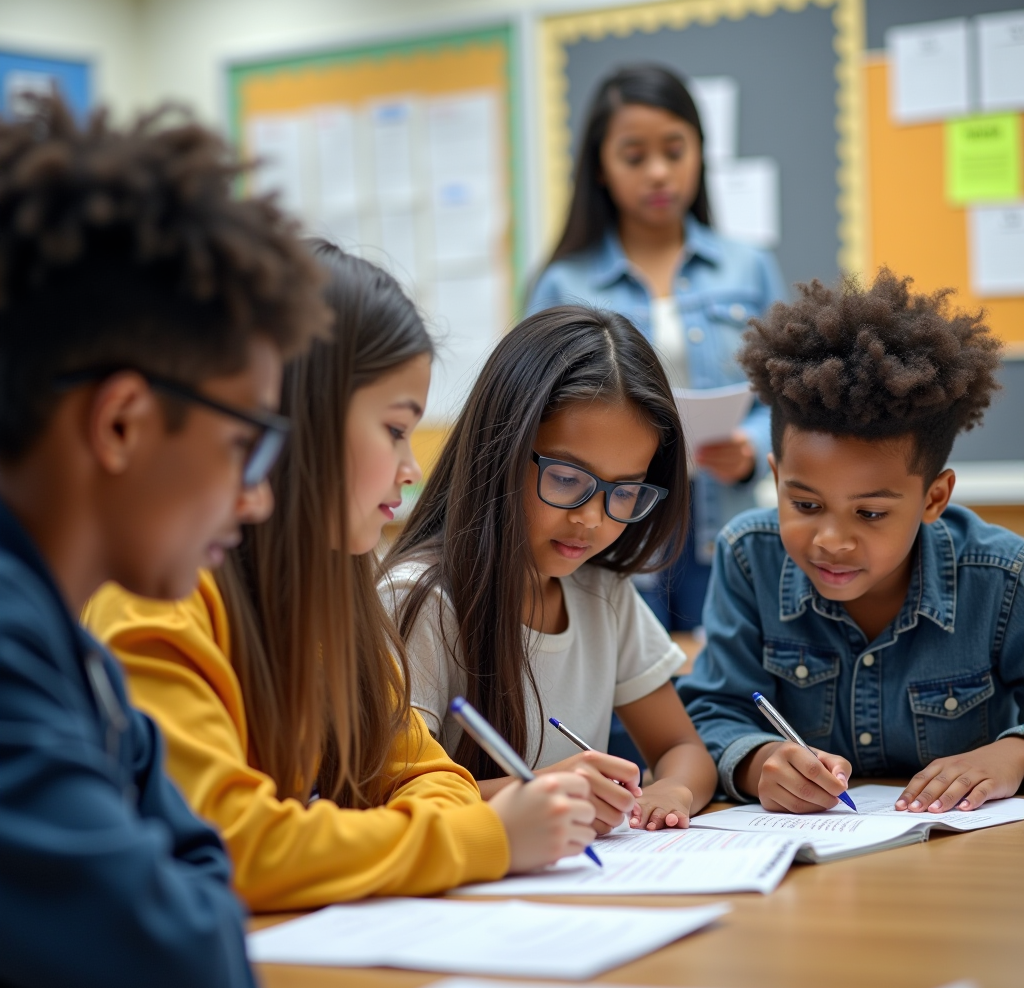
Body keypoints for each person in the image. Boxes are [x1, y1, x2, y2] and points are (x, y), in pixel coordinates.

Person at [84, 244, 596, 912]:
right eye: (394, 430)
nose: (411, 468)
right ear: (301, 422)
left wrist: (425, 831)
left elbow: (429, 777)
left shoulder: (339, 596)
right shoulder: (155, 599)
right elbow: (238, 844)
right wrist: (484, 838)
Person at [0, 99, 326, 988]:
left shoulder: (75, 655)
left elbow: (201, 895)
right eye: (245, 447)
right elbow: (193, 968)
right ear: (121, 423)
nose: (257, 497)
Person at [679, 270, 1024, 814]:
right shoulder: (749, 557)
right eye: (806, 505)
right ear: (775, 478)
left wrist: (1013, 756)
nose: (832, 541)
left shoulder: (1001, 576)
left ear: (934, 498)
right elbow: (716, 709)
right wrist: (758, 760)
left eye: (870, 513)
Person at [383, 305, 718, 834]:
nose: (591, 518)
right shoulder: (418, 599)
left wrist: (670, 789)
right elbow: (388, 793)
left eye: (625, 491)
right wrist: (538, 791)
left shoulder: (602, 594)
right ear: (501, 450)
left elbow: (681, 748)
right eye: (566, 478)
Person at [529, 64, 787, 634]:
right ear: (600, 166)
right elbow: (529, 415)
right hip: (605, 517)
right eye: (634, 155)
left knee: (722, 687)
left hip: (719, 517)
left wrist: (750, 444)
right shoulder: (560, 284)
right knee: (618, 693)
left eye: (675, 150)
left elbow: (792, 401)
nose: (659, 172)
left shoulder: (749, 269)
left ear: (701, 152)